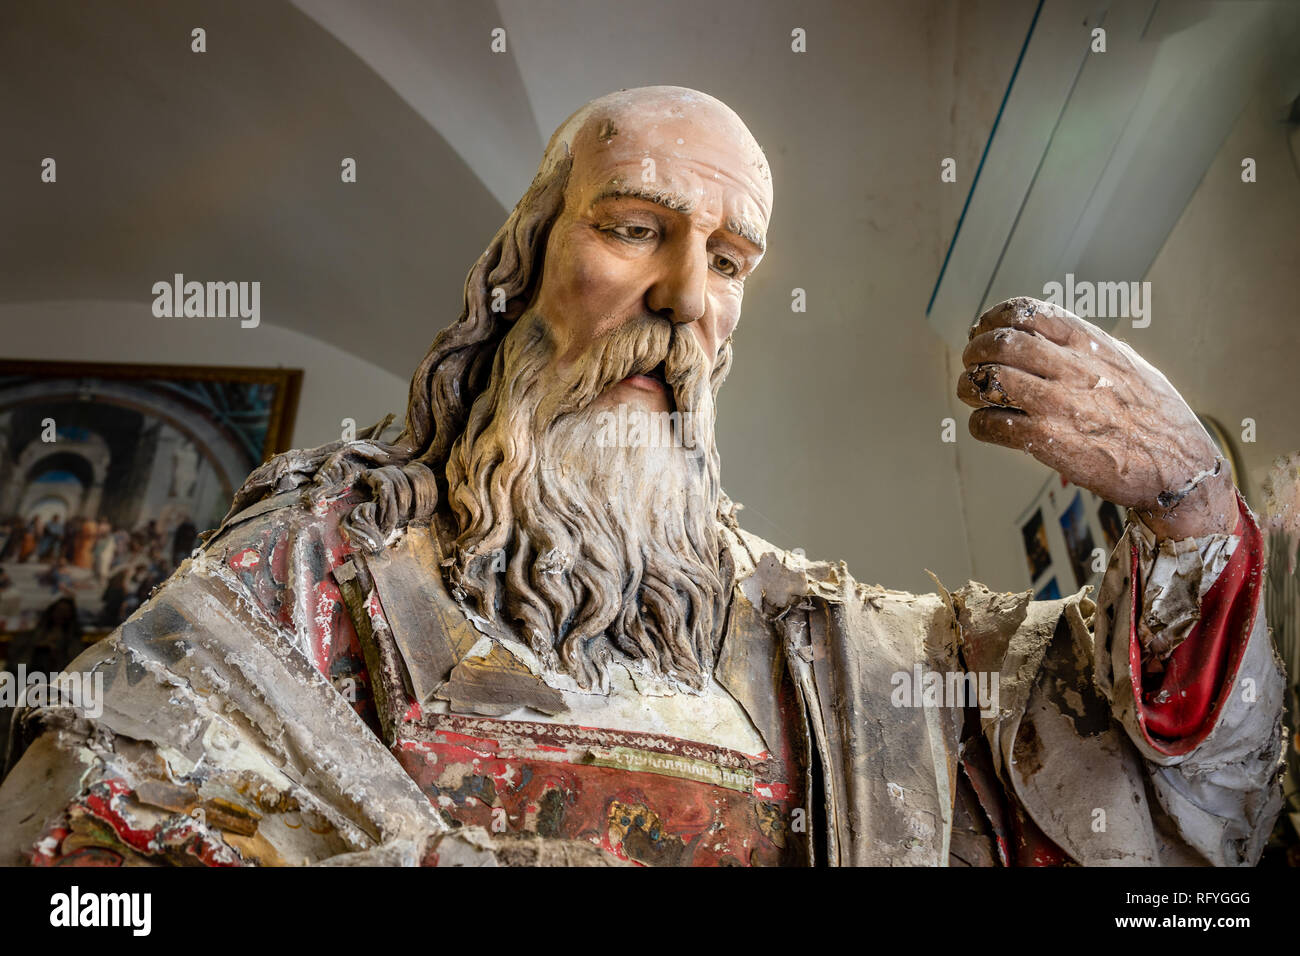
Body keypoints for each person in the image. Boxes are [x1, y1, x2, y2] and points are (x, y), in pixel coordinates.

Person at [0, 87, 1283, 868]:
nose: (683, 297)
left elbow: (1150, 812)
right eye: (633, 227)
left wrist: (1186, 511)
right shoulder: (318, 566)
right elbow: (81, 832)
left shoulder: (830, 656)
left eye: (729, 261)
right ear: (519, 266)